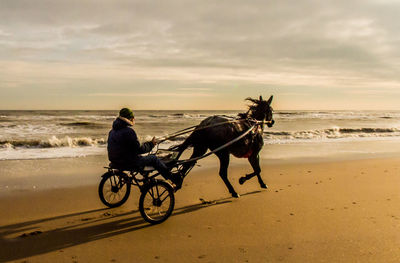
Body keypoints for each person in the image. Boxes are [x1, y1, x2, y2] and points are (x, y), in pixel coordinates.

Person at [107, 107, 181, 187]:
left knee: (141, 157)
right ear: (129, 118)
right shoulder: (129, 132)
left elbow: (127, 148)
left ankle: (146, 177)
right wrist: (151, 144)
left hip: (114, 160)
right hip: (128, 162)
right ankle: (172, 177)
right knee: (153, 158)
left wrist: (147, 144)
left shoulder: (112, 131)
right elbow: (139, 149)